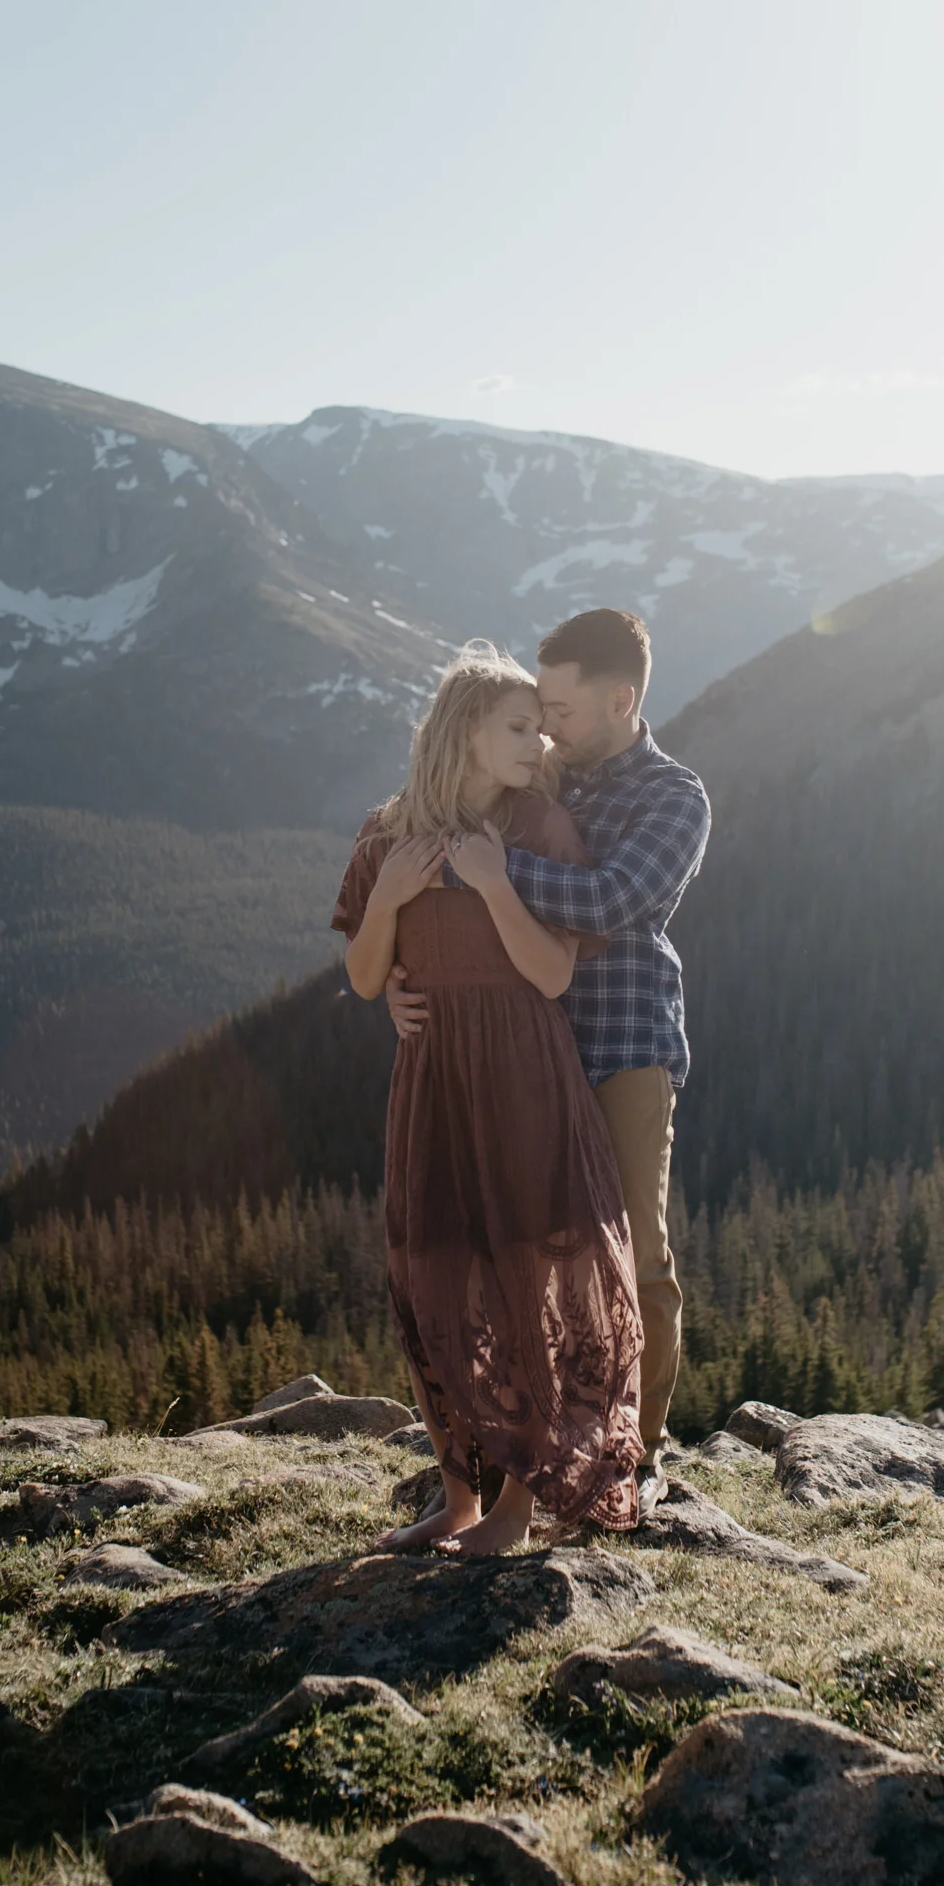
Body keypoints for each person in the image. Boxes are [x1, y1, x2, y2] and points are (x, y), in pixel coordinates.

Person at [388, 607, 710, 1513]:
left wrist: (485, 868)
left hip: (623, 1049)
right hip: (528, 1056)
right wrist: (407, 984)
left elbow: (610, 901)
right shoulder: (546, 772)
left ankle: (630, 1464)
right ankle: (531, 1456)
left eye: (561, 708)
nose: (548, 724)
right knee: (521, 1261)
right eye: (539, 709)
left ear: (621, 698)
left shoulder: (673, 797)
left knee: (633, 1258)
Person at [332, 642, 644, 1554]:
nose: (538, 740)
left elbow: (550, 974)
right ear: (463, 731)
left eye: (541, 724)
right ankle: (457, 1498)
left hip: (523, 1072)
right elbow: (361, 978)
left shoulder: (538, 826)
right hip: (433, 1079)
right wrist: (389, 896)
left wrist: (495, 881)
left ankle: (514, 1509)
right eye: (518, 725)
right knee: (435, 1271)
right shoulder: (385, 832)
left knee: (523, 1278)